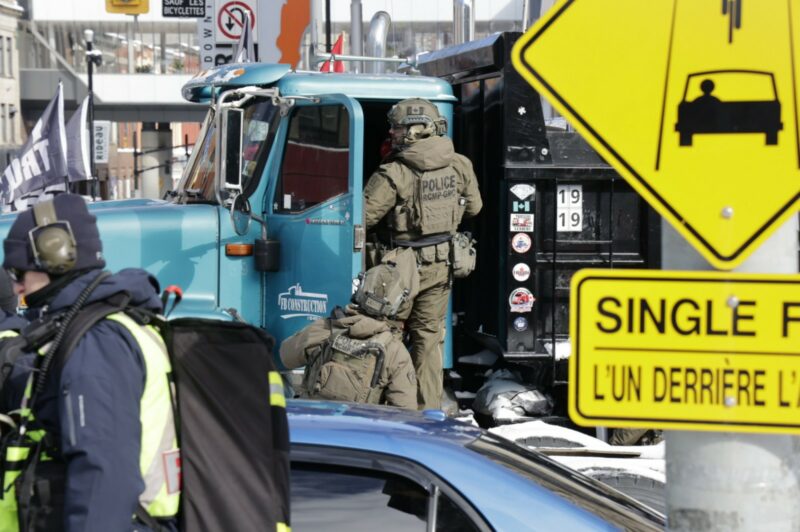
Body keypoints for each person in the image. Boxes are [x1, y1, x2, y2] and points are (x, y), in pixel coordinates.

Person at [0, 194, 179, 531]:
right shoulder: (94, 328)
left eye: (19, 271)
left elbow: (103, 472)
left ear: (57, 253)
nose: (17, 285)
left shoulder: (98, 340)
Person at [363, 98, 483, 409]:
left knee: (385, 334)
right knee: (428, 341)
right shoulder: (459, 164)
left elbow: (362, 217)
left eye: (397, 128)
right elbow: (474, 208)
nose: (392, 132)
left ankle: (384, 406)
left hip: (399, 267)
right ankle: (427, 412)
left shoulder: (393, 172)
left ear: (416, 130)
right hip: (442, 263)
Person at [279, 250, 419, 410]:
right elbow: (405, 412)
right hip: (359, 430)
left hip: (314, 426)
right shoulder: (395, 352)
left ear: (360, 288)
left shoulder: (325, 328)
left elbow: (285, 356)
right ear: (396, 305)